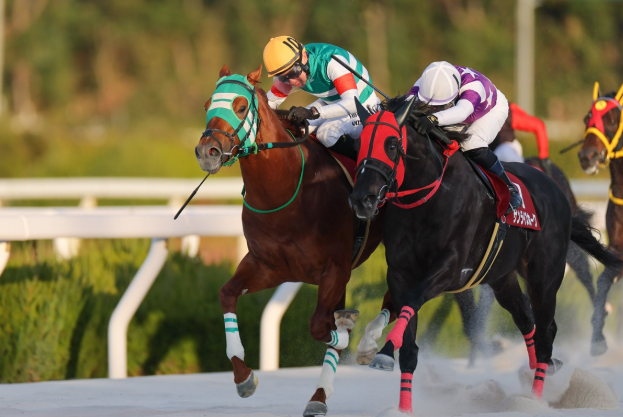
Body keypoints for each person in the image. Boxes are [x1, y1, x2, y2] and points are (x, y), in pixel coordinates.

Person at [408, 61, 522, 214]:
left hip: (491, 109)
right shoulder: (425, 82)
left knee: (471, 143)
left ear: (455, 94)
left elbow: (462, 112)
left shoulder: (474, 87)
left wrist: (433, 118)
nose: (434, 109)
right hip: (460, 110)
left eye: (440, 106)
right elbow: (406, 105)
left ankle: (509, 188)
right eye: (432, 106)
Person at [263, 36, 381, 160]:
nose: (292, 81)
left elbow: (352, 103)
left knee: (326, 134)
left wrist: (312, 112)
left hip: (362, 105)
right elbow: (269, 103)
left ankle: (364, 163)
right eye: (283, 77)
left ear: (304, 57)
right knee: (295, 129)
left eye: (293, 73)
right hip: (331, 102)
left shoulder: (331, 62)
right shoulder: (291, 65)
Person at [491, 102, 552, 175]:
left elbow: (538, 125)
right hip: (493, 151)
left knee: (504, 150)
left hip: (507, 148)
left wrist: (544, 158)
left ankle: (530, 174)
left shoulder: (505, 111)